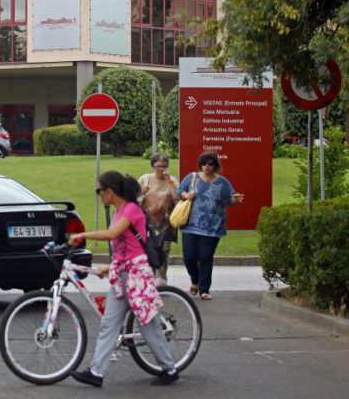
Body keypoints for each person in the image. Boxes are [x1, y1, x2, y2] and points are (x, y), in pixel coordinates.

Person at [67, 171, 179, 388]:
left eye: (99, 191)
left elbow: (113, 235)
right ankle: (96, 372)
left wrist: (82, 235)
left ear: (110, 192)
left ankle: (170, 368)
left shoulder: (131, 210)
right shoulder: (119, 211)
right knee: (108, 324)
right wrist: (111, 267)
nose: (98, 195)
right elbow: (124, 247)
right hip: (122, 275)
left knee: (148, 325)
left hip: (137, 276)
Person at [178, 151, 244, 300]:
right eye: (203, 164)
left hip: (212, 226)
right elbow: (180, 191)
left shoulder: (222, 182)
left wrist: (235, 200)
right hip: (190, 225)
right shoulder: (192, 177)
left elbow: (229, 200)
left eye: (210, 164)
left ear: (215, 166)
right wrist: (186, 195)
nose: (206, 167)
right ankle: (195, 280)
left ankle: (204, 289)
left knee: (206, 257)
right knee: (189, 257)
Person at [138, 153, 180, 286]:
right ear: (153, 166)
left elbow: (177, 198)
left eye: (164, 166)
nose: (162, 169)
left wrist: (169, 181)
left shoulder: (172, 180)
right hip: (146, 224)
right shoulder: (144, 179)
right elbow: (134, 201)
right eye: (159, 166)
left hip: (166, 225)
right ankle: (149, 282)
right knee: (148, 253)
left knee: (163, 254)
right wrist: (143, 192)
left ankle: (161, 283)